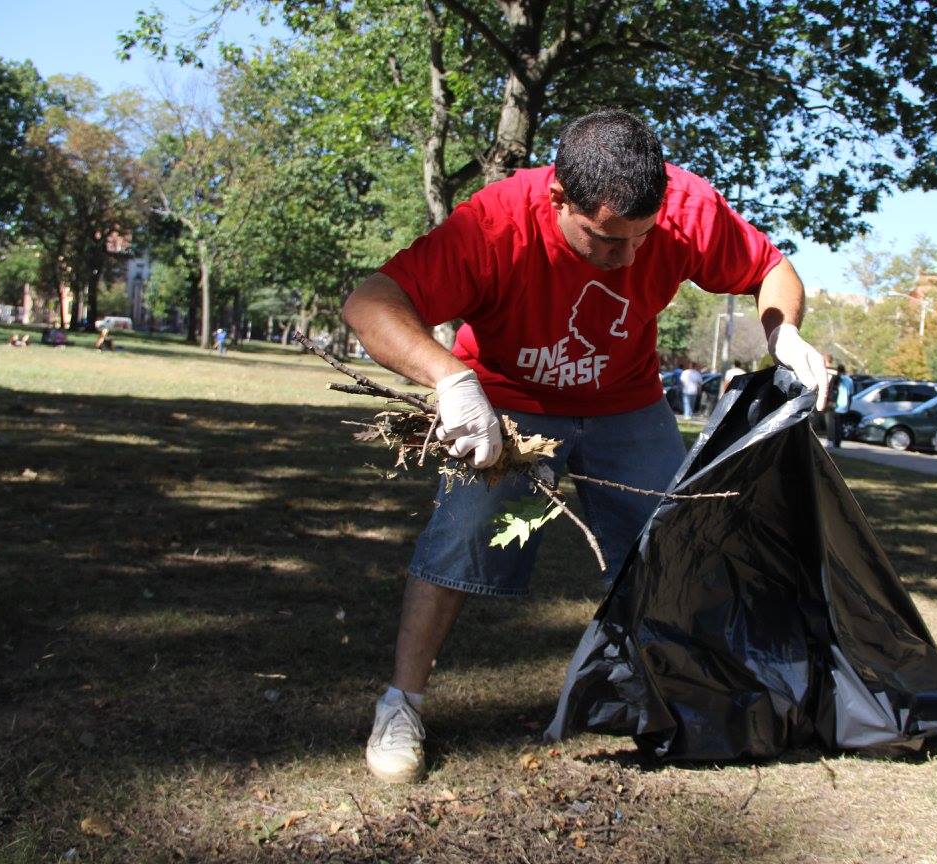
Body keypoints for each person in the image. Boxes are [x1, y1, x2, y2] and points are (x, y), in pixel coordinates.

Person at [342, 109, 828, 784]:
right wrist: (451, 378)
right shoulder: (495, 223)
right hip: (507, 400)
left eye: (640, 238)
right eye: (604, 241)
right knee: (460, 537)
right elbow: (371, 301)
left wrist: (782, 334)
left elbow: (771, 269)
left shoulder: (687, 207)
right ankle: (402, 704)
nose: (624, 260)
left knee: (668, 545)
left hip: (626, 403)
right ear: (557, 198)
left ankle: (662, 690)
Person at [825, 364, 854, 451]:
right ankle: (837, 442)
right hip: (844, 405)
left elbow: (830, 390)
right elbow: (850, 394)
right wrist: (849, 406)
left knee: (831, 423)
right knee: (839, 424)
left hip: (834, 404)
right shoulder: (849, 380)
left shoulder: (836, 378)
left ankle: (830, 440)